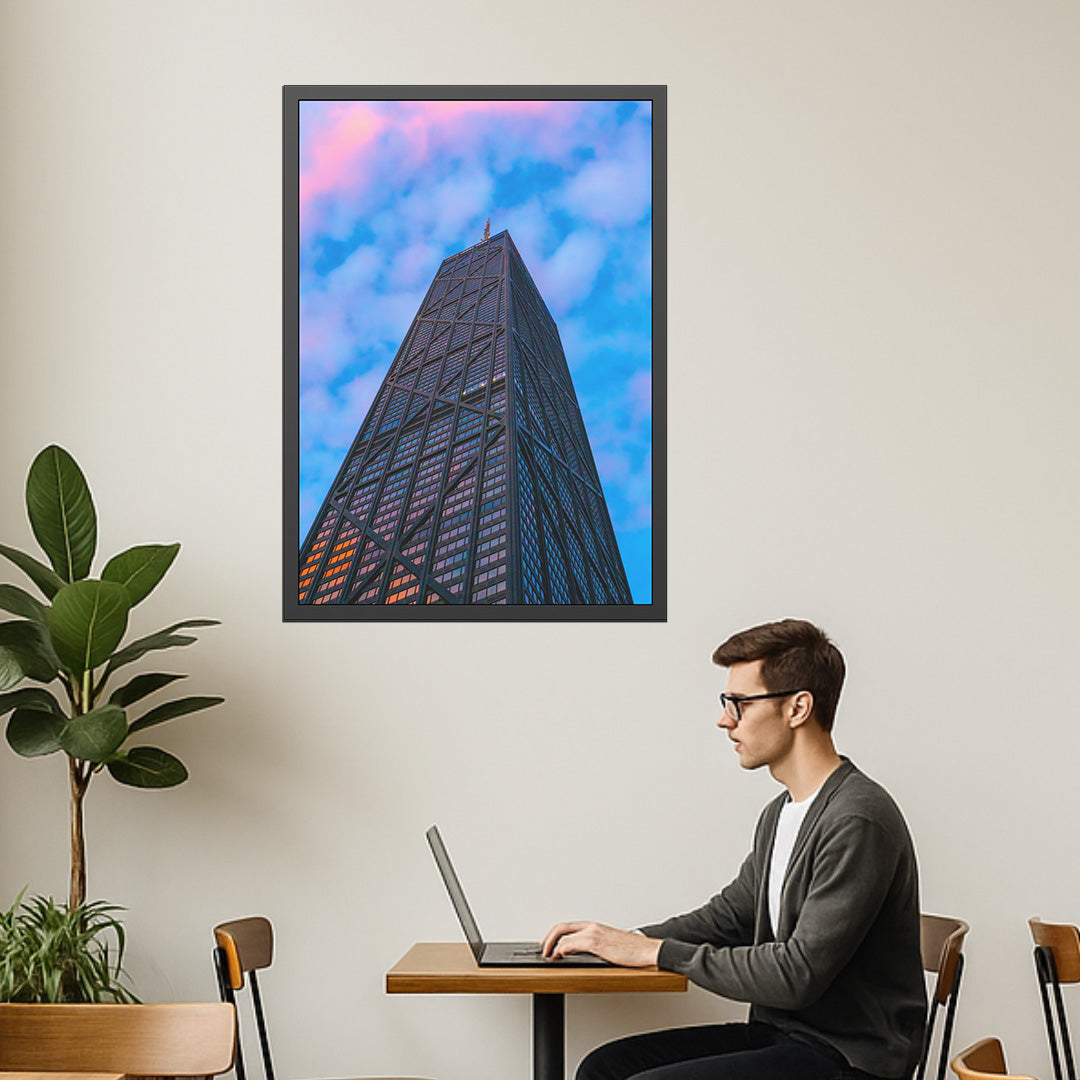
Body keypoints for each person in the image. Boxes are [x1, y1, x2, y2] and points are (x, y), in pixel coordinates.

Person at [541, 619, 926, 1080]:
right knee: (603, 1068)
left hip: (851, 1058)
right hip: (787, 1036)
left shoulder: (856, 819)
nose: (725, 719)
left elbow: (796, 974)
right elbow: (730, 917)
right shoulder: (780, 814)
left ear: (798, 708)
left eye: (739, 704)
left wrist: (656, 953)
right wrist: (621, 942)